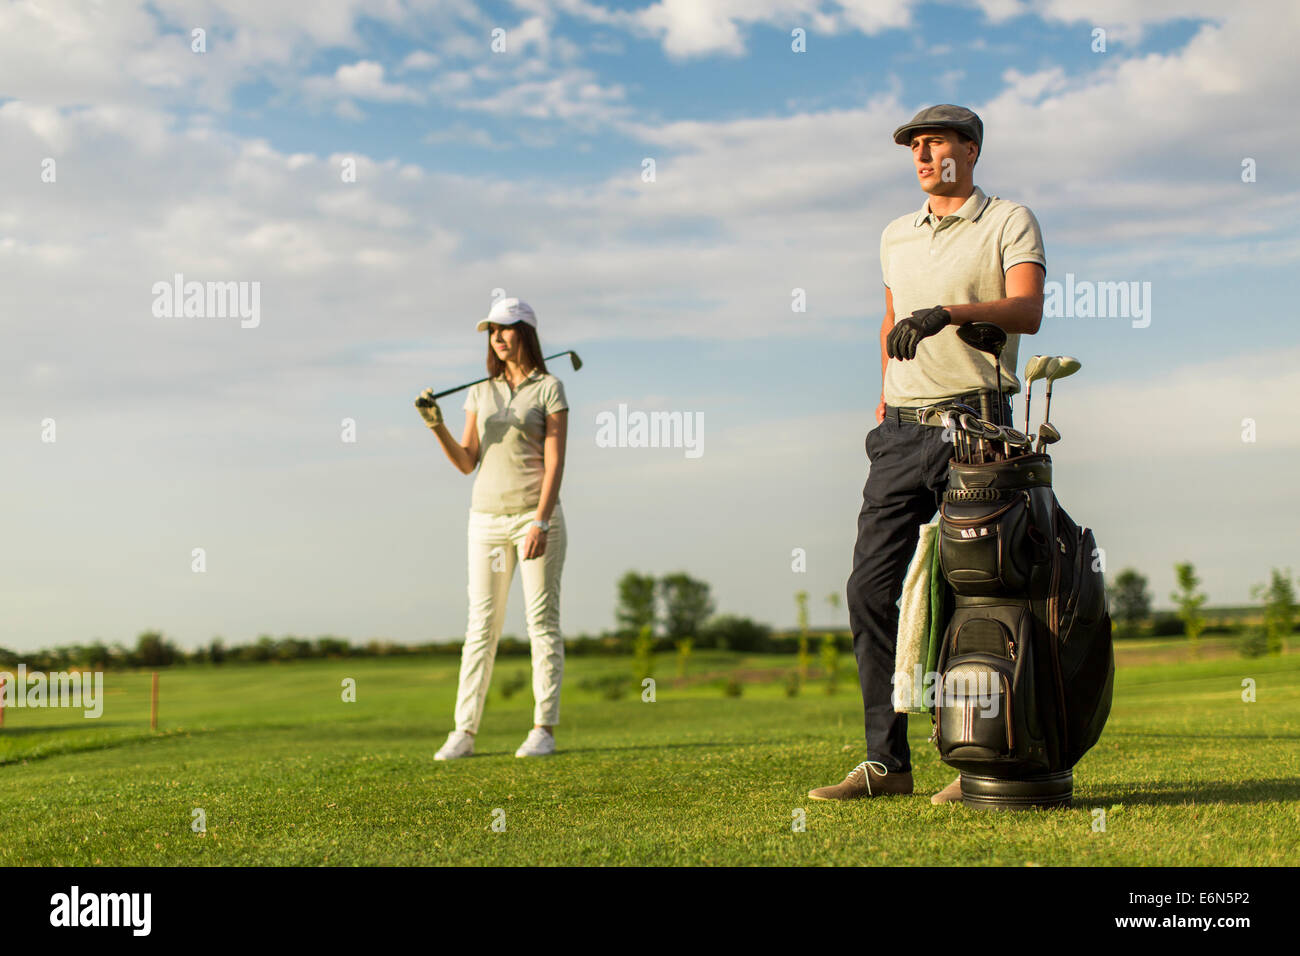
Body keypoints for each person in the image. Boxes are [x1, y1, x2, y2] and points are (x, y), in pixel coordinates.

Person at [808, 105, 1046, 804]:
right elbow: (889, 319)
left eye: (934, 140)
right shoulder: (894, 235)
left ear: (968, 149)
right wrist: (883, 400)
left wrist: (948, 312)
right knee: (869, 589)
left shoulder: (1008, 219)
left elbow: (1027, 310)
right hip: (900, 434)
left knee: (978, 594)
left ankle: (981, 762)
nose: (921, 152)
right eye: (914, 143)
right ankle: (887, 764)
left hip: (976, 426)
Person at [416, 297, 570, 759]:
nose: (497, 337)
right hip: (485, 520)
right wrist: (436, 426)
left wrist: (541, 520)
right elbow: (467, 462)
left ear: (526, 332)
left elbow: (556, 459)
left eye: (505, 329)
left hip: (534, 517)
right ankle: (463, 731)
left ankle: (543, 728)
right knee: (481, 626)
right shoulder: (480, 392)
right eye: (492, 331)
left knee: (541, 623)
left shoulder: (550, 388)